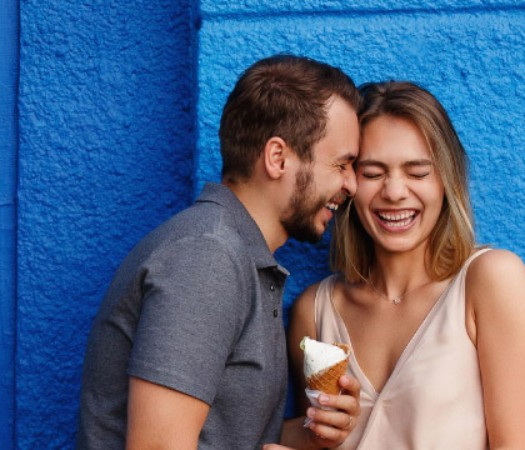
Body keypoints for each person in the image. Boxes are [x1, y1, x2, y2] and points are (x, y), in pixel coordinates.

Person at [77, 54, 364, 450]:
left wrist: (313, 434)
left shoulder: (241, 259)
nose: (352, 184)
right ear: (278, 157)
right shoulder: (207, 259)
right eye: (342, 164)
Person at [286, 81, 525, 449]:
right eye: (373, 173)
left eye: (417, 172)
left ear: (446, 179)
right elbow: (312, 440)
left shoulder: (491, 281)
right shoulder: (313, 312)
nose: (394, 192)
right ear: (347, 182)